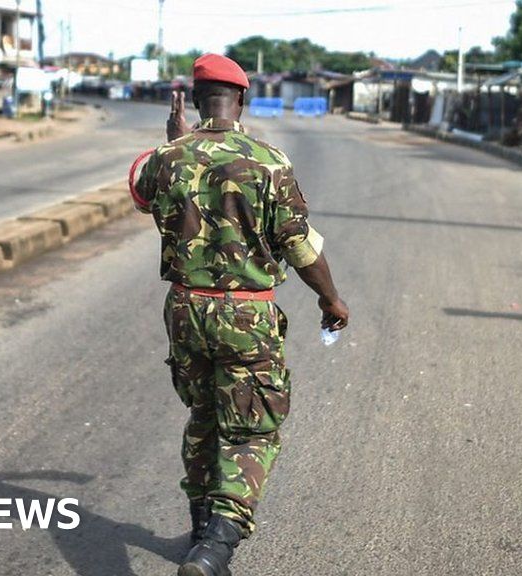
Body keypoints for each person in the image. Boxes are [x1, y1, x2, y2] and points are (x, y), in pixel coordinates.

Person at [132, 53, 349, 576]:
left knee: (204, 416)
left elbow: (142, 195)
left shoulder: (168, 157)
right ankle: (216, 545)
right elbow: (298, 245)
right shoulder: (269, 161)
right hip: (245, 316)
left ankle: (202, 539)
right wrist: (330, 299)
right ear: (243, 99)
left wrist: (174, 141)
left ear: (196, 98)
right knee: (251, 430)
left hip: (185, 309)